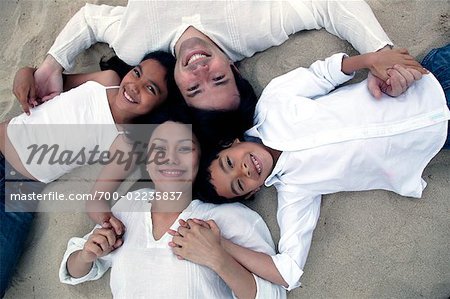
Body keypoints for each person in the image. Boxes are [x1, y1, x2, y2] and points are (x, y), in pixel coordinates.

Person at [173, 49, 450, 291]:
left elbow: (324, 74)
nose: (243, 170)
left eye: (229, 163)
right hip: (437, 138)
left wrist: (371, 59)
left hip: (428, 79)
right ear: (252, 192)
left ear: (230, 143)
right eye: (239, 185)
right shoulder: (295, 192)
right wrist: (221, 245)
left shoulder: (272, 103)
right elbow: (287, 271)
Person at [13, 1, 426, 125]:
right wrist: (382, 53)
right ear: (234, 67)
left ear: (175, 81)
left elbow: (89, 19)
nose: (200, 70)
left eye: (193, 86)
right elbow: (327, 5)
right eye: (218, 79)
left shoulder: (134, 43)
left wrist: (51, 64)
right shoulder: (251, 30)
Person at [0, 51, 175, 297]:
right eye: (137, 72)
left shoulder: (125, 143)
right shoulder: (106, 80)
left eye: (151, 89)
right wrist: (25, 73)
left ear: (159, 108)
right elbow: (49, 81)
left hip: (21, 188)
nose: (135, 86)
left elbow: (97, 199)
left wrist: (107, 220)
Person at [59, 119, 286, 299]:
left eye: (184, 148)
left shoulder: (227, 217)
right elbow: (74, 269)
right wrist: (87, 254)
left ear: (200, 162)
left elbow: (273, 294)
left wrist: (218, 258)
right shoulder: (130, 205)